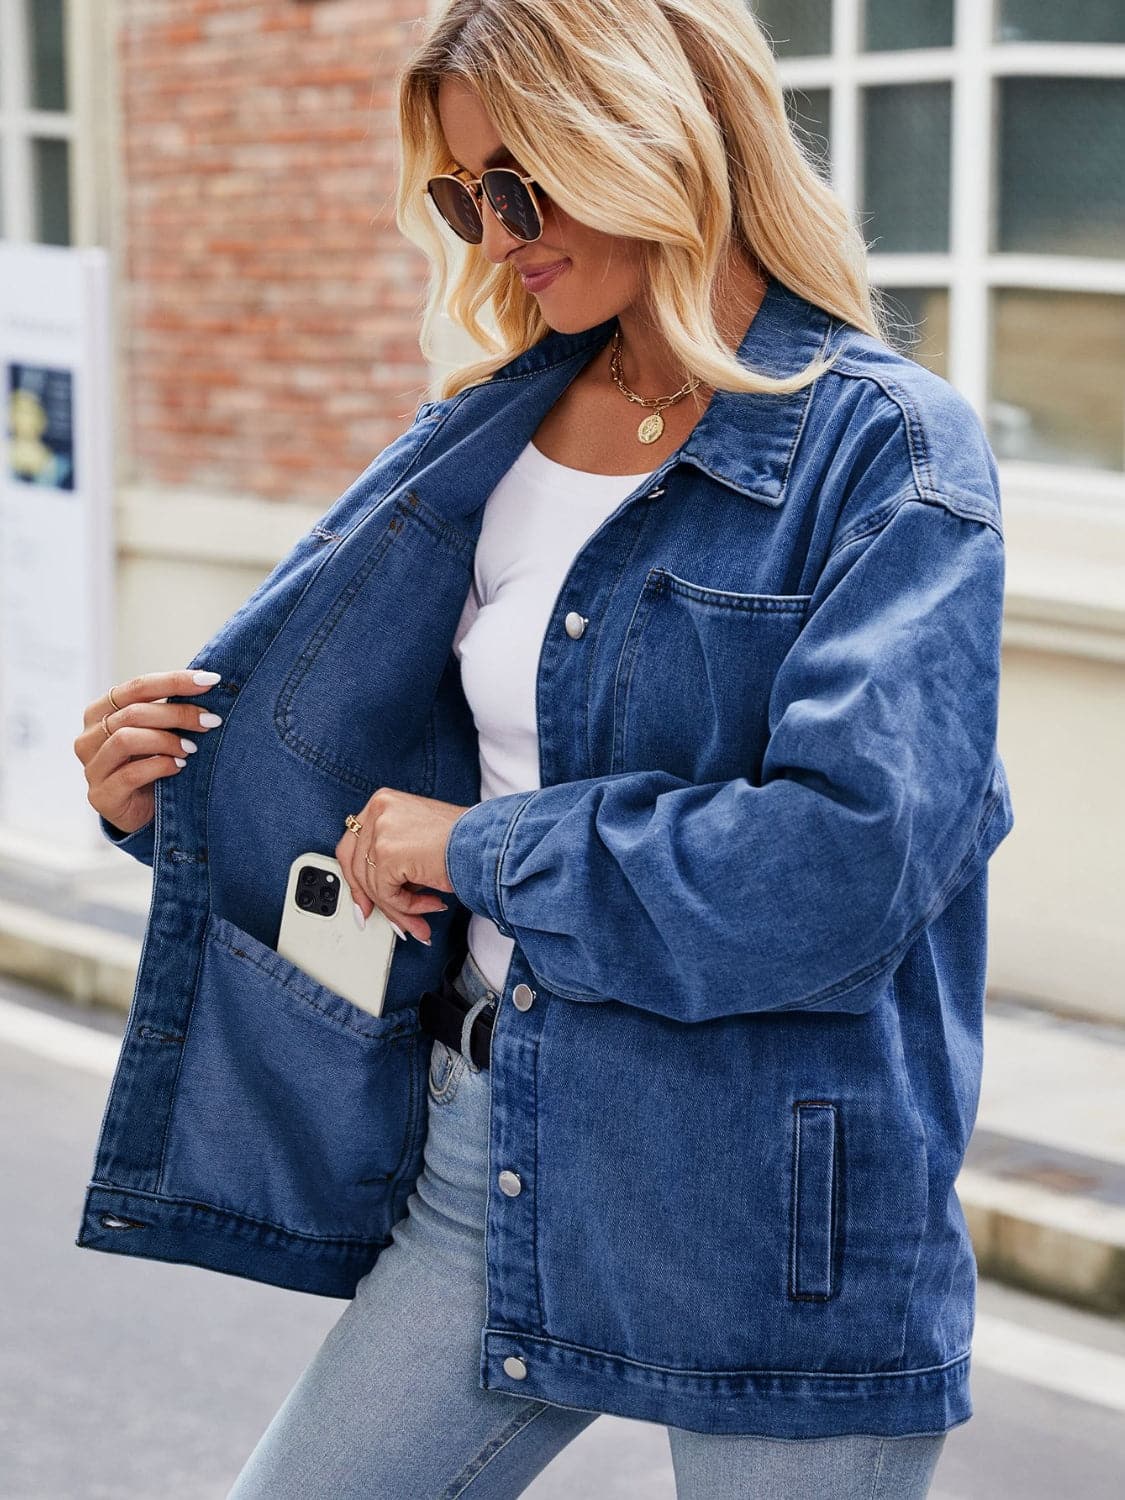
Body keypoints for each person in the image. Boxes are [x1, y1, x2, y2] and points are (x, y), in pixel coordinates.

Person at [75, 2, 1013, 1495]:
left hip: (777, 1202)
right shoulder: (485, 433)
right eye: (462, 196)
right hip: (494, 1148)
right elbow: (382, 776)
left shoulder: (881, 450)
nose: (493, 231)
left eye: (522, 183)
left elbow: (838, 864)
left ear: (653, 134)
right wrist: (170, 795)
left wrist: (474, 851)